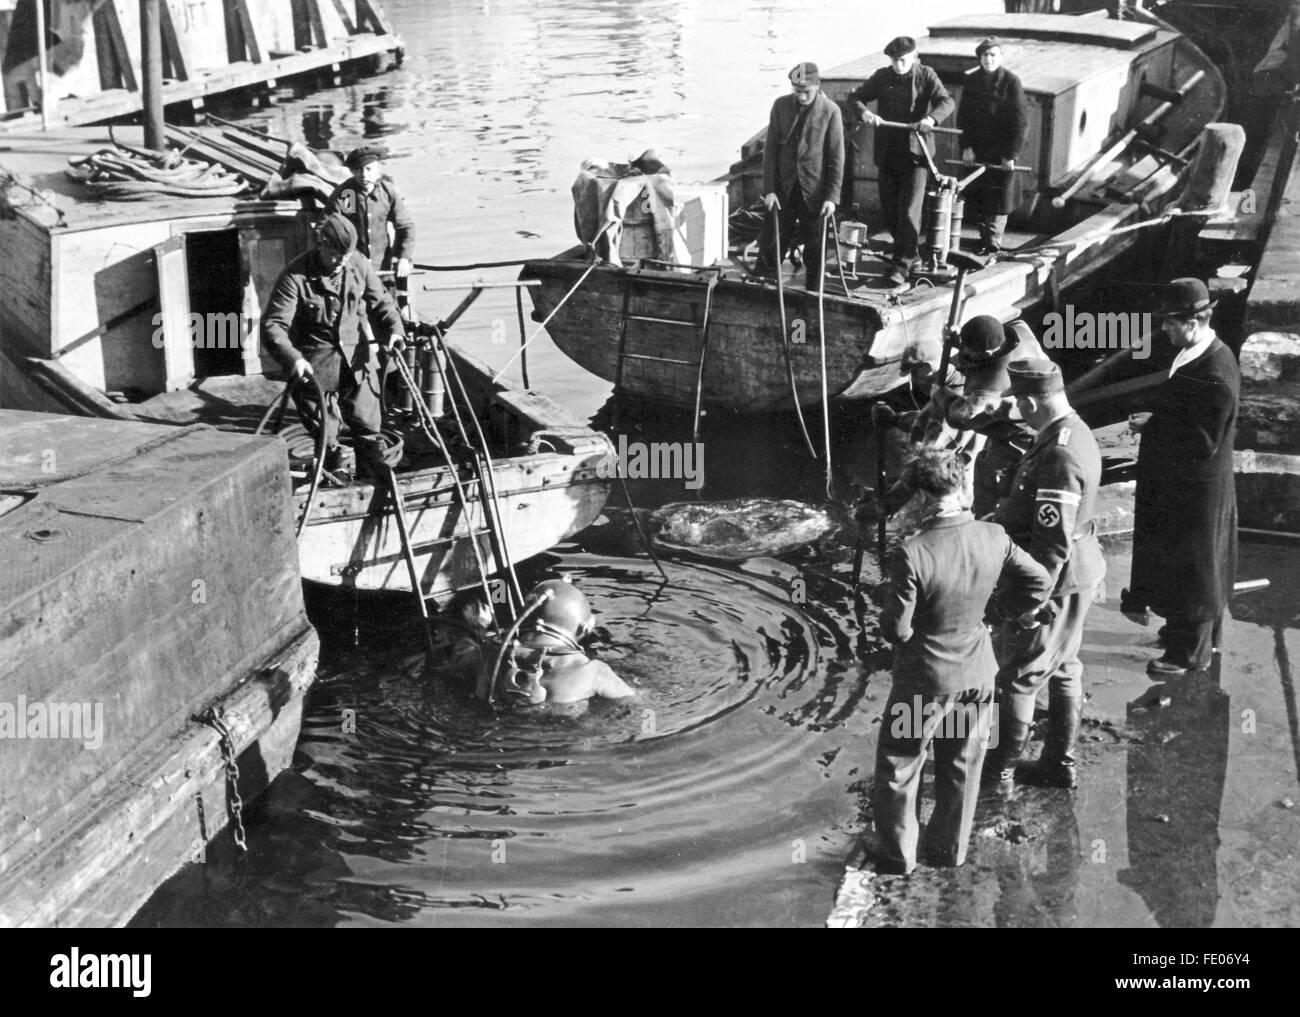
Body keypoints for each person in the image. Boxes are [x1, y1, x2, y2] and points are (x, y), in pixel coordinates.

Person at [872, 448, 1052, 874]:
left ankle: (899, 855)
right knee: (961, 762)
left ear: (920, 497)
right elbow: (1039, 581)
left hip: (923, 684)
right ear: (960, 489)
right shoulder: (994, 536)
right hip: (976, 675)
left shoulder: (912, 552)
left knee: (900, 762)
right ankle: (948, 851)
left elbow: (897, 630)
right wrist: (999, 613)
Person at [987, 360, 1106, 793]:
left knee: (1020, 674)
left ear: (1031, 401)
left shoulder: (1058, 453)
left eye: (1020, 403)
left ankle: (999, 772)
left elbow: (1052, 543)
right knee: (1065, 666)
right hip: (1079, 574)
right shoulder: (1073, 431)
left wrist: (1029, 602)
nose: (1018, 412)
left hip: (1055, 580)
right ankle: (1059, 762)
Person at [1122, 278, 1239, 676]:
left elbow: (1201, 441)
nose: (1165, 330)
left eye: (1170, 323)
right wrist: (1158, 419)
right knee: (1183, 564)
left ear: (1193, 321)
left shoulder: (1216, 373)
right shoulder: (1196, 353)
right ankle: (1182, 633)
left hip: (1196, 488)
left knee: (1196, 568)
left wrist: (1151, 427)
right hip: (1184, 483)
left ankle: (1190, 653)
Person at [261, 212, 407, 474]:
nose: (341, 262)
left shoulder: (358, 264)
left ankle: (374, 477)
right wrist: (294, 360)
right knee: (326, 435)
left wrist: (395, 329)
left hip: (358, 361)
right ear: (321, 245)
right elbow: (273, 326)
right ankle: (332, 473)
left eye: (347, 255)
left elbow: (382, 302)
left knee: (369, 429)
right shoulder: (295, 276)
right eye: (335, 254)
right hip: (316, 369)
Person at [848, 36, 954, 286]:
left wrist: (930, 120)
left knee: (908, 211)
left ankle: (902, 266)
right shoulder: (882, 76)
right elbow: (855, 98)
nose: (898, 65)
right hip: (888, 153)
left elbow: (946, 102)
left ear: (914, 57)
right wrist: (865, 112)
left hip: (916, 156)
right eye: (894, 61)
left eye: (902, 60)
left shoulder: (926, 75)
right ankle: (910, 254)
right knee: (891, 210)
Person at [755, 62, 845, 290]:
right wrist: (770, 190)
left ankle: (814, 290)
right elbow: (771, 151)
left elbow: (836, 158)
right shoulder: (780, 106)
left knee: (815, 243)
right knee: (773, 236)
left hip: (814, 190)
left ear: (817, 86)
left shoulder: (830, 111)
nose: (803, 97)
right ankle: (763, 282)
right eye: (798, 92)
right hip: (784, 187)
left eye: (807, 92)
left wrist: (831, 197)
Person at [477, 579, 636, 706]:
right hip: (561, 734)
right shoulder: (592, 670)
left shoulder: (490, 653)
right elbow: (634, 702)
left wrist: (480, 630)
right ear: (583, 629)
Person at [957, 38, 1029, 255]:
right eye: (985, 56)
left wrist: (1011, 154)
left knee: (999, 198)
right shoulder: (971, 81)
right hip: (978, 148)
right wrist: (966, 147)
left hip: (1002, 150)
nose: (988, 60)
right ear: (979, 58)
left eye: (993, 56)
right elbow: (964, 118)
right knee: (980, 193)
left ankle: (993, 242)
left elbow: (1020, 122)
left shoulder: (1011, 82)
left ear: (1001, 57)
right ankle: (984, 239)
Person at [326, 145, 417, 283]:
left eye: (369, 169)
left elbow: (405, 227)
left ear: (377, 171)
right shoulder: (347, 194)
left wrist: (404, 257)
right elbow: (328, 226)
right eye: (358, 170)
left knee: (386, 302)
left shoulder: (387, 193)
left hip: (383, 268)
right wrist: (337, 259)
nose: (364, 175)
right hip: (352, 270)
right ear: (352, 172)